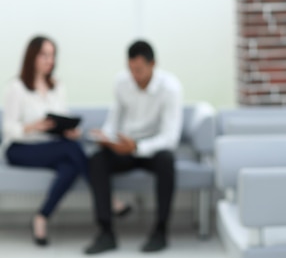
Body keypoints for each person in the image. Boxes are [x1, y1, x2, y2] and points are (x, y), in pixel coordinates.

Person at [84, 40, 183, 254]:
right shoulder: (121, 83)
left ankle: (160, 231)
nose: (134, 76)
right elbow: (114, 119)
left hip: (152, 150)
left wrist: (136, 146)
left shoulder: (170, 88)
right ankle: (106, 232)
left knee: (167, 161)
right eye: (130, 70)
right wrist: (107, 138)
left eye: (139, 70)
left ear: (153, 64)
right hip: (124, 147)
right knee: (97, 160)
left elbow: (170, 137)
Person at [1, 36, 89, 247]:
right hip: (20, 147)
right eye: (45, 55)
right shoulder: (17, 87)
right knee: (72, 151)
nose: (50, 60)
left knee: (70, 165)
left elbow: (62, 117)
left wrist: (69, 130)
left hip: (51, 146)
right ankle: (107, 197)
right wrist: (32, 126)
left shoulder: (57, 87)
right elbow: (8, 128)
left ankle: (41, 217)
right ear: (32, 56)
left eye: (52, 55)